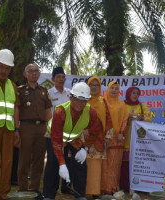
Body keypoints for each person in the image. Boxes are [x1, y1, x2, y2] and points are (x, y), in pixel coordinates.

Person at [50, 82, 103, 200]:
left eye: (84, 101)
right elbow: (56, 141)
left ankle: (80, 195)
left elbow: (95, 131)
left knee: (81, 164)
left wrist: (86, 148)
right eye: (78, 99)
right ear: (71, 98)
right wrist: (62, 164)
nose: (80, 104)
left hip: (74, 139)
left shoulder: (91, 112)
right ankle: (49, 195)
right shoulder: (61, 111)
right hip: (56, 138)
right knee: (53, 163)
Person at [17, 63, 52, 199]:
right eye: (30, 71)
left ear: (39, 74)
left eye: (36, 71)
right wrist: (17, 128)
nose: (34, 73)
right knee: (24, 158)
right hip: (26, 127)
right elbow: (17, 110)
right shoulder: (20, 90)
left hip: (41, 128)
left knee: (38, 159)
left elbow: (48, 111)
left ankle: (35, 189)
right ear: (25, 74)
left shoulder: (44, 90)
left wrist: (49, 128)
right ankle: (23, 188)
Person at [0, 49, 20, 200]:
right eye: (2, 67)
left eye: (7, 68)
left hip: (8, 130)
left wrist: (16, 129)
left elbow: (15, 108)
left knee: (7, 163)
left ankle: (3, 194)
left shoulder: (12, 85)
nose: (4, 71)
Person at [43, 66, 71, 200]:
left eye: (63, 77)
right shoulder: (49, 93)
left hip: (67, 134)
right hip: (52, 133)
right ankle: (49, 193)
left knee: (67, 160)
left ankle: (66, 187)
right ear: (53, 79)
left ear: (65, 78)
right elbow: (47, 113)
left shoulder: (69, 94)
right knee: (53, 162)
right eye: (58, 77)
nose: (61, 79)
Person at [119, 86, 152, 193]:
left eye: (137, 93)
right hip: (125, 139)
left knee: (138, 164)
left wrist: (139, 117)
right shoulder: (122, 105)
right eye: (133, 92)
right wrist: (128, 117)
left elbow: (149, 119)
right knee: (125, 165)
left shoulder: (142, 106)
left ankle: (139, 187)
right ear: (128, 93)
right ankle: (125, 187)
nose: (135, 95)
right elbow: (118, 119)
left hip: (139, 141)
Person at [85, 76, 112, 199]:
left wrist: (108, 135)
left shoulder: (102, 101)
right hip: (83, 137)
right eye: (92, 85)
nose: (94, 87)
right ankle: (81, 191)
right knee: (81, 165)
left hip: (98, 140)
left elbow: (108, 118)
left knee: (95, 166)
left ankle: (95, 192)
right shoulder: (83, 99)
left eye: (97, 85)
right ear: (88, 86)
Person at [101, 81, 128, 195]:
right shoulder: (102, 102)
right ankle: (101, 188)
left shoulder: (122, 104)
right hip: (103, 137)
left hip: (117, 138)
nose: (114, 90)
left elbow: (125, 119)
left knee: (114, 165)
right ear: (108, 89)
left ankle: (112, 188)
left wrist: (121, 132)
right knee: (103, 164)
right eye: (112, 88)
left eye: (116, 89)